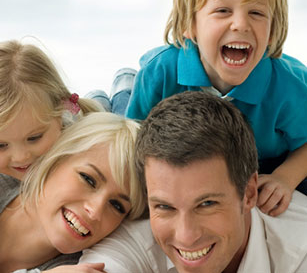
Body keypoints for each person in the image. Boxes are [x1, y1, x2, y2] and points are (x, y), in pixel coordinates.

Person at [125, 0, 307, 216]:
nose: (240, 24)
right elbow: (132, 139)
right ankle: (123, 84)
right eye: (223, 10)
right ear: (190, 25)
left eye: (256, 13)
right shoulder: (159, 71)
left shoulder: (289, 86)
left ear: (273, 30)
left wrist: (284, 177)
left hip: (265, 162)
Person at [80, 91, 307, 273]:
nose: (186, 237)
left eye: (207, 204)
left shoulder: (300, 250)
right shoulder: (134, 239)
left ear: (248, 193)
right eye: (165, 207)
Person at [0, 111, 146, 273]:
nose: (95, 211)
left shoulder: (81, 267)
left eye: (117, 206)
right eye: (88, 179)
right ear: (56, 159)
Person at [0, 39, 103, 181]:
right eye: (1, 145)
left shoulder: (84, 146)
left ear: (60, 112)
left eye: (34, 138)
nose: (21, 156)